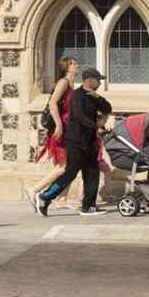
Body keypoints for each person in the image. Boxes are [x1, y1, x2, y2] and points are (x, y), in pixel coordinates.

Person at [33, 66, 114, 214]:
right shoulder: (77, 96)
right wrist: (96, 126)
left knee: (92, 172)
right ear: (89, 80)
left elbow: (108, 108)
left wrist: (98, 97)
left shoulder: (92, 96)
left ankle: (88, 206)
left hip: (89, 141)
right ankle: (45, 197)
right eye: (98, 81)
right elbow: (78, 116)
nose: (100, 84)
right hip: (76, 141)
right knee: (70, 172)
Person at [37, 55, 78, 173]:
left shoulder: (71, 84)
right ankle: (37, 190)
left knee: (68, 167)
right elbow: (52, 103)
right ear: (67, 67)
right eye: (73, 64)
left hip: (68, 127)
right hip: (61, 127)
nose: (76, 65)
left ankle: (55, 191)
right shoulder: (63, 82)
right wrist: (59, 125)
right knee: (63, 166)